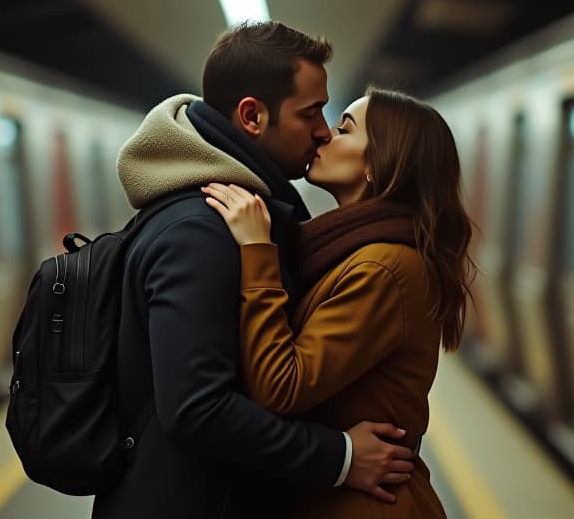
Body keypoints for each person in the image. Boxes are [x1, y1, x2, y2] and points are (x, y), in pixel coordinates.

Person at [97, 22, 415, 519]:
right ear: (252, 116)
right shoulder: (204, 231)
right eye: (311, 113)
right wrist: (340, 457)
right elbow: (197, 409)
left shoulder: (239, 217)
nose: (323, 130)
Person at [202, 86, 475, 518]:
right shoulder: (352, 251)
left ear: (377, 163)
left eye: (344, 128)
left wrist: (257, 253)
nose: (325, 135)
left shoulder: (384, 268)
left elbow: (281, 386)